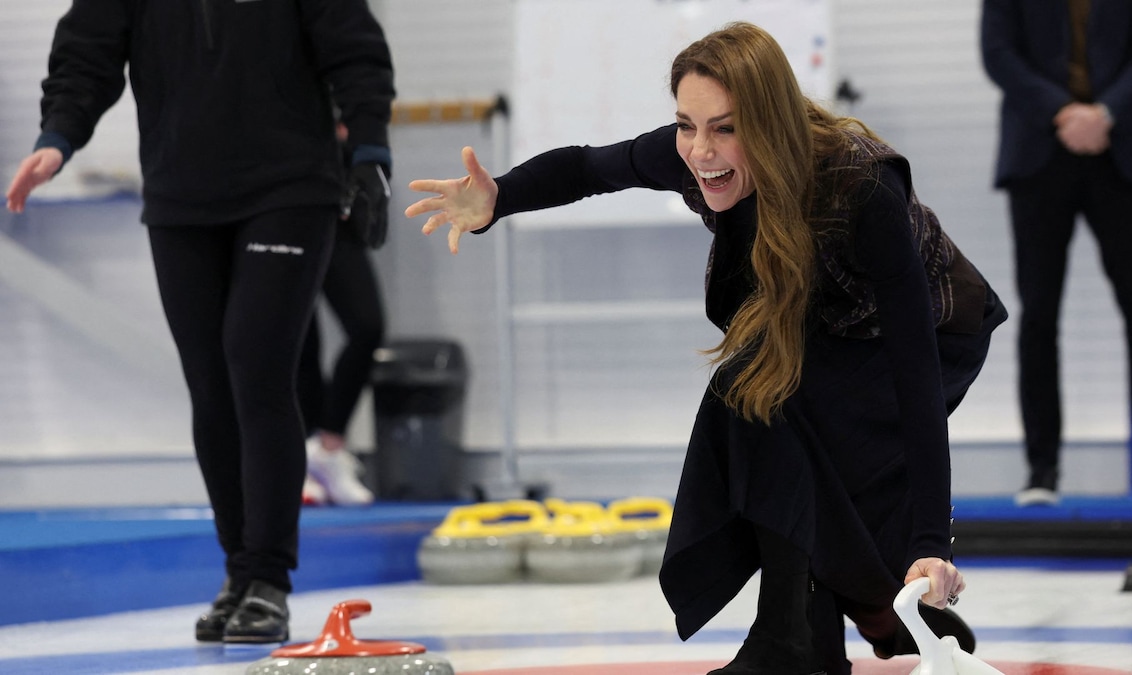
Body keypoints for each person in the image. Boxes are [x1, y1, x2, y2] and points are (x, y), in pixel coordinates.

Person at [407, 22, 1006, 675]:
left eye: (725, 127)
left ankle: (803, 639)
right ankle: (848, 620)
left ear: (771, 122)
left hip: (936, 330)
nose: (701, 150)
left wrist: (929, 541)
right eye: (686, 125)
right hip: (830, 321)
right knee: (750, 398)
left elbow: (915, 371)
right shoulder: (688, 153)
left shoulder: (860, 186)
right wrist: (500, 196)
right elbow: (586, 166)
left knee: (771, 392)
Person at [5, 0, 395, 644]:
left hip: (288, 187)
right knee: (211, 385)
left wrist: (371, 150)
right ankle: (239, 573)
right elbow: (87, 54)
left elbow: (355, 49)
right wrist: (58, 138)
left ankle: (269, 577)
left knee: (256, 367)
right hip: (181, 194)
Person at [981, 0, 1132, 507]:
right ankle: (1041, 468)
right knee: (1038, 313)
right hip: (1037, 152)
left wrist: (1103, 113)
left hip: (1119, 149)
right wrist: (1062, 112)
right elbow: (998, 53)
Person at [297, 123, 386, 507]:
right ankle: (301, 455)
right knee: (299, 340)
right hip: (279, 209)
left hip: (336, 213)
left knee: (367, 327)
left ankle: (328, 444)